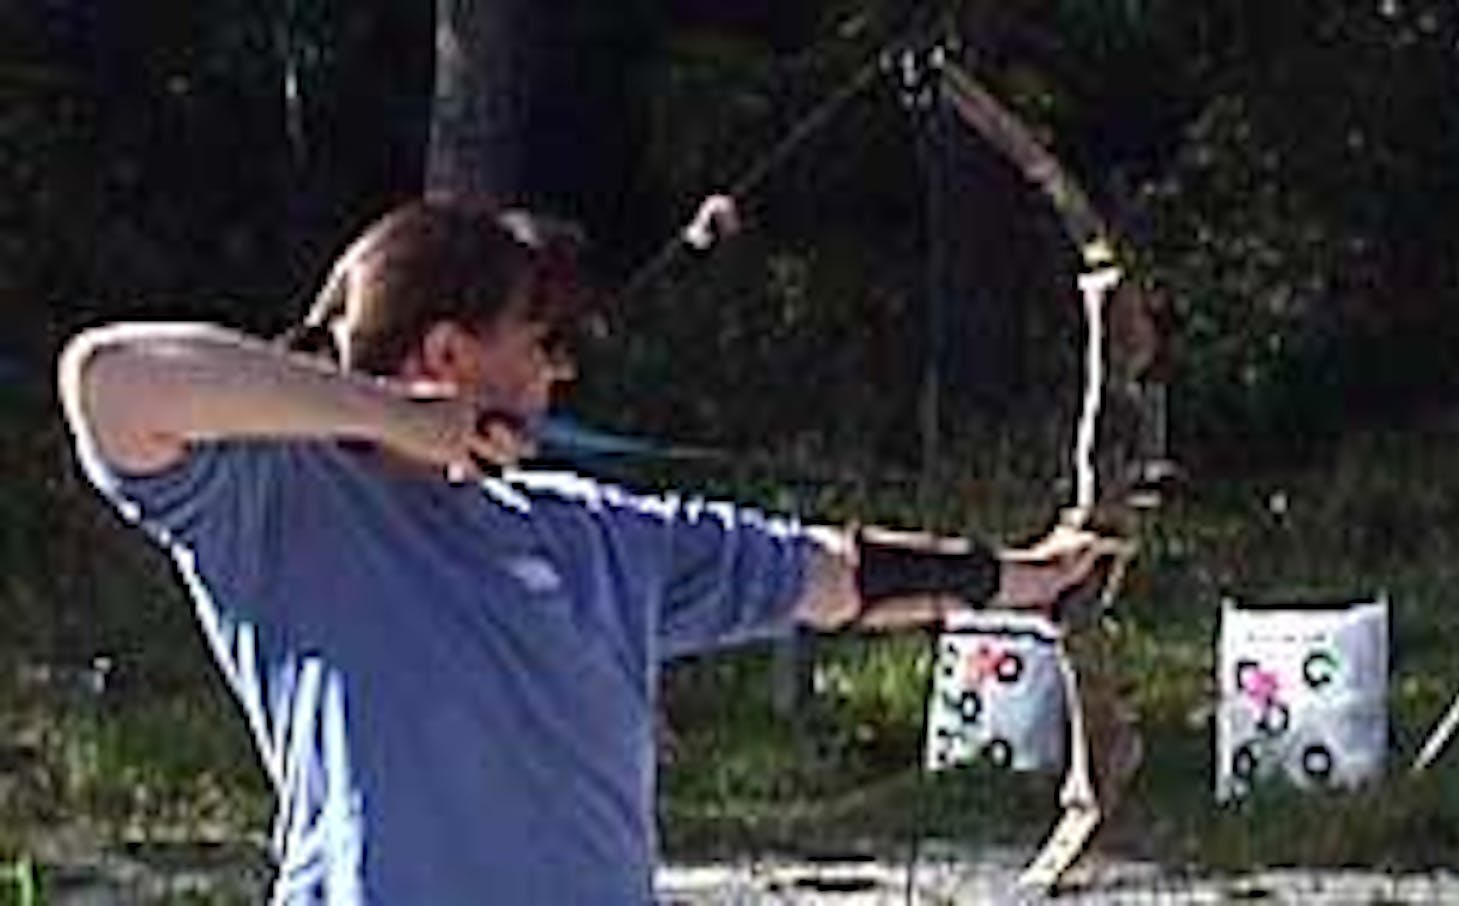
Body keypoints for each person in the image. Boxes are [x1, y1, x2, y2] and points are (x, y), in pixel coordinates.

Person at [55, 195, 1116, 904]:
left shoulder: (595, 532)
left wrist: (1024, 578)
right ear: (447, 353)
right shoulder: (281, 510)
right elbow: (106, 379)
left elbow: (832, 575)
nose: (559, 373)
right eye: (541, 341)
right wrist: (395, 417)